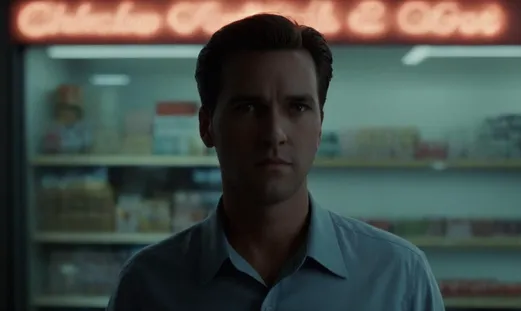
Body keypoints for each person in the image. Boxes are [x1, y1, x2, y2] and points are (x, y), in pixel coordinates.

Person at [106, 13, 445, 311]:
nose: (274, 133)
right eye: (248, 108)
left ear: (319, 126)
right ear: (207, 126)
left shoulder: (399, 275)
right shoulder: (148, 284)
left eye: (297, 107)